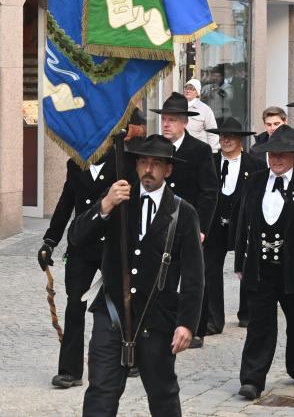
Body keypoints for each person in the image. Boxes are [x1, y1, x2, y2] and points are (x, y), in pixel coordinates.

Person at [69, 135, 204, 416]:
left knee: (163, 394)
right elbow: (76, 238)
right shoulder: (118, 199)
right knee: (101, 393)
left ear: (168, 170)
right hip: (112, 313)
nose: (148, 169)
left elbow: (194, 275)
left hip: (157, 319)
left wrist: (187, 324)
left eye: (156, 163)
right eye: (143, 161)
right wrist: (104, 205)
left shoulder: (183, 212)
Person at [234, 125, 294, 399]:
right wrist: (240, 262)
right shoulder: (254, 181)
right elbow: (244, 224)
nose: (276, 160)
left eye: (282, 155)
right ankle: (252, 378)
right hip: (260, 267)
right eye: (272, 155)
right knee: (259, 325)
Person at [40, 149, 116, 389]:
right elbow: (65, 204)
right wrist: (49, 242)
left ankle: (126, 358)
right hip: (81, 245)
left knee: (117, 303)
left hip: (112, 244)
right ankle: (70, 371)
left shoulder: (122, 161)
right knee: (74, 304)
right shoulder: (75, 165)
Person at [193, 119, 264, 347]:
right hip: (214, 223)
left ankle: (247, 313)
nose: (226, 139)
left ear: (240, 139)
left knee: (246, 265)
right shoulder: (210, 162)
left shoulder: (254, 165)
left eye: (231, 136)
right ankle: (214, 319)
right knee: (210, 269)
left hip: (243, 224)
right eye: (223, 135)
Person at [153, 92, 219, 244]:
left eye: (172, 120)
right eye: (163, 119)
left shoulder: (200, 150)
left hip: (185, 226)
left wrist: (201, 228)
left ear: (184, 122)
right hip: (156, 224)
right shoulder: (155, 148)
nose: (165, 124)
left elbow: (209, 192)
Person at [183, 79, 220, 152]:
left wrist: (213, 152)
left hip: (198, 151)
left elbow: (212, 132)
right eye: (186, 88)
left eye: (191, 89)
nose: (188, 90)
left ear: (197, 93)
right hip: (181, 150)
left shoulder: (205, 109)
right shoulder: (178, 106)